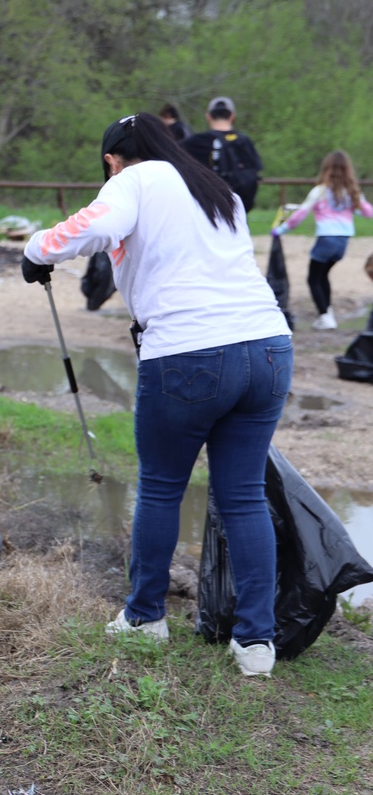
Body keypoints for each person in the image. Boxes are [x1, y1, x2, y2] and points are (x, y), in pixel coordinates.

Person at [21, 111, 292, 678]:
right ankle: (256, 644)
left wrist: (35, 249)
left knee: (163, 488)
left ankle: (145, 618)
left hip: (189, 352)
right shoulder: (217, 190)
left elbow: (90, 230)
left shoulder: (134, 180)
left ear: (112, 159)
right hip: (268, 348)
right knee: (242, 497)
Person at [271, 150, 373, 330]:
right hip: (343, 242)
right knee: (322, 275)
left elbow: (300, 214)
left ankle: (325, 317)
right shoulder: (352, 193)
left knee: (312, 278)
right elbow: (367, 212)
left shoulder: (320, 191)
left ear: (326, 169)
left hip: (326, 240)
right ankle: (326, 313)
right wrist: (355, 203)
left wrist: (280, 230)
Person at [183, 96, 262, 213]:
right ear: (232, 116)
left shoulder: (194, 143)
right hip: (239, 208)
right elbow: (254, 173)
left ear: (208, 117)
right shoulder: (245, 142)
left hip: (206, 209)